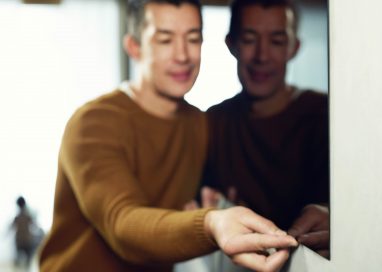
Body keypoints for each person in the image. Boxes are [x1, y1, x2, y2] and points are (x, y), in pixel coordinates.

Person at [38, 1, 298, 271]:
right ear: (134, 47)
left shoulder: (200, 124)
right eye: (165, 40)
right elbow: (123, 223)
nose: (183, 55)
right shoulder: (92, 124)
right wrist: (210, 223)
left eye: (193, 38)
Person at [201, 0, 330, 258]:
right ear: (231, 44)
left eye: (277, 41)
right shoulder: (212, 123)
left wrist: (332, 214)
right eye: (250, 39)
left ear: (293, 48)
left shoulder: (325, 115)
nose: (262, 56)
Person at [11, 196, 43, 270]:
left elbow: (11, 227)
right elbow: (35, 225)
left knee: (19, 261)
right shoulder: (27, 216)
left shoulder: (17, 217)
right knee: (27, 262)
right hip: (27, 241)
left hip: (19, 241)